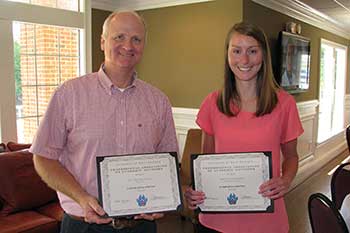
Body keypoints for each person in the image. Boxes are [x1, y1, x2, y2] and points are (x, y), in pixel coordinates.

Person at [30, 11, 178, 233]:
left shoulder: (158, 101)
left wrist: (162, 199)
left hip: (142, 226)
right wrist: (81, 198)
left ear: (143, 46)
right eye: (119, 37)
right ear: (102, 41)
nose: (128, 46)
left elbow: (168, 162)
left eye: (136, 39)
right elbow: (43, 158)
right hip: (83, 225)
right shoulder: (68, 94)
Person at [184, 22, 304, 233]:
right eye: (237, 51)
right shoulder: (212, 103)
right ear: (227, 55)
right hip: (216, 220)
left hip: (267, 221)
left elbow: (292, 157)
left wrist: (286, 180)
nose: (244, 60)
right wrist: (194, 191)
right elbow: (207, 160)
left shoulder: (284, 104)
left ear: (263, 55)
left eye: (252, 51)